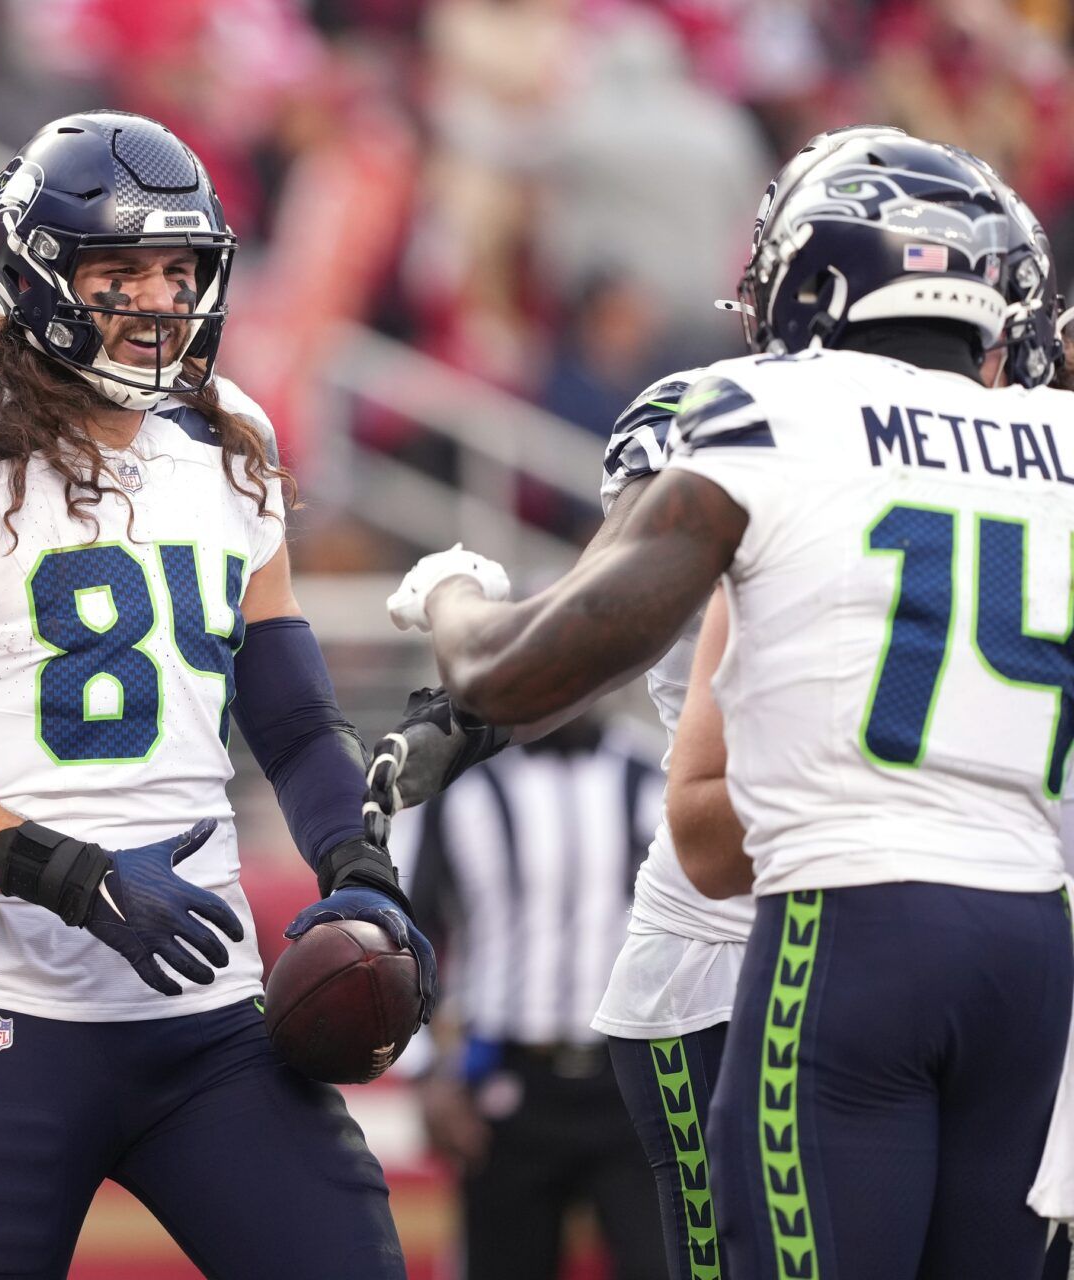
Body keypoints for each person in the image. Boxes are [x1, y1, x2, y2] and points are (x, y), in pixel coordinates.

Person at [386, 133, 1074, 1277]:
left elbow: (511, 672)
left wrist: (454, 594)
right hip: (1024, 944)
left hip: (847, 927)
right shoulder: (1058, 439)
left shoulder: (760, 412)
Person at [0, 111, 434, 1280]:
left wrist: (362, 871)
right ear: (41, 275)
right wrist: (79, 876)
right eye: (121, 269)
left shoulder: (224, 430)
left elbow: (293, 714)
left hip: (211, 1014)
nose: (161, 297)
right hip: (7, 1009)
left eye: (179, 267)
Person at [398, 712, 665, 1280]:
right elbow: (404, 936)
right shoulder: (460, 787)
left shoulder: (653, 776)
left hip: (632, 1083)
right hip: (506, 1083)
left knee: (664, 1264)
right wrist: (426, 1076)